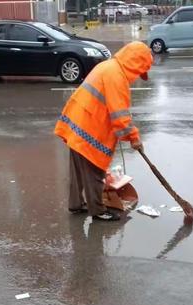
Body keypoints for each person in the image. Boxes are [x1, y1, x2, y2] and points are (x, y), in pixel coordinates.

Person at [54, 41, 153, 221]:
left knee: (77, 168)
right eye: (140, 71)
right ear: (135, 63)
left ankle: (76, 204)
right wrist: (134, 138)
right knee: (95, 170)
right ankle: (98, 210)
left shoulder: (107, 66)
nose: (138, 76)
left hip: (77, 121)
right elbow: (120, 115)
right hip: (89, 127)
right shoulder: (117, 77)